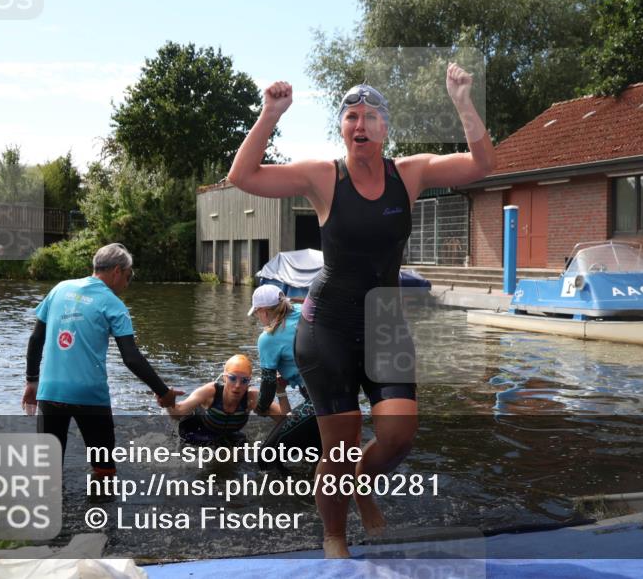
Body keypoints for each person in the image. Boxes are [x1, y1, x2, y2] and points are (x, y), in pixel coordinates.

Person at [227, 63, 495, 557]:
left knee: (397, 436)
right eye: (352, 116)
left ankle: (354, 484)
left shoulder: (409, 174)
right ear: (342, 128)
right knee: (341, 447)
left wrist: (461, 101)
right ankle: (334, 537)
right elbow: (241, 176)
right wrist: (270, 114)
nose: (361, 124)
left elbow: (482, 166)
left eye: (372, 116)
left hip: (385, 323)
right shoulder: (324, 176)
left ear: (385, 128)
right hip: (328, 323)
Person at [22, 243, 183, 488]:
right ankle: (100, 517)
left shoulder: (59, 289)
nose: (127, 285)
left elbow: (36, 340)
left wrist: (32, 380)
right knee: (104, 470)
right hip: (90, 397)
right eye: (128, 277)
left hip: (50, 392)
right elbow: (131, 358)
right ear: (117, 271)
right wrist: (164, 392)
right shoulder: (114, 305)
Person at [248, 284, 321, 471]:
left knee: (266, 457)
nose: (258, 318)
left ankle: (286, 495)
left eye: (257, 313)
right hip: (341, 397)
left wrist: (261, 407)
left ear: (263, 311)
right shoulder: (303, 312)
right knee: (317, 456)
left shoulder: (268, 338)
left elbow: (268, 383)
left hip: (318, 404)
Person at [166, 354, 283, 446]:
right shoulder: (210, 392)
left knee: (242, 455)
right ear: (224, 377)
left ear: (249, 381)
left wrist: (281, 391)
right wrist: (169, 403)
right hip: (196, 431)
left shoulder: (252, 397)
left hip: (224, 435)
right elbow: (178, 413)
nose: (237, 385)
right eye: (232, 378)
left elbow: (285, 420)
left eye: (244, 381)